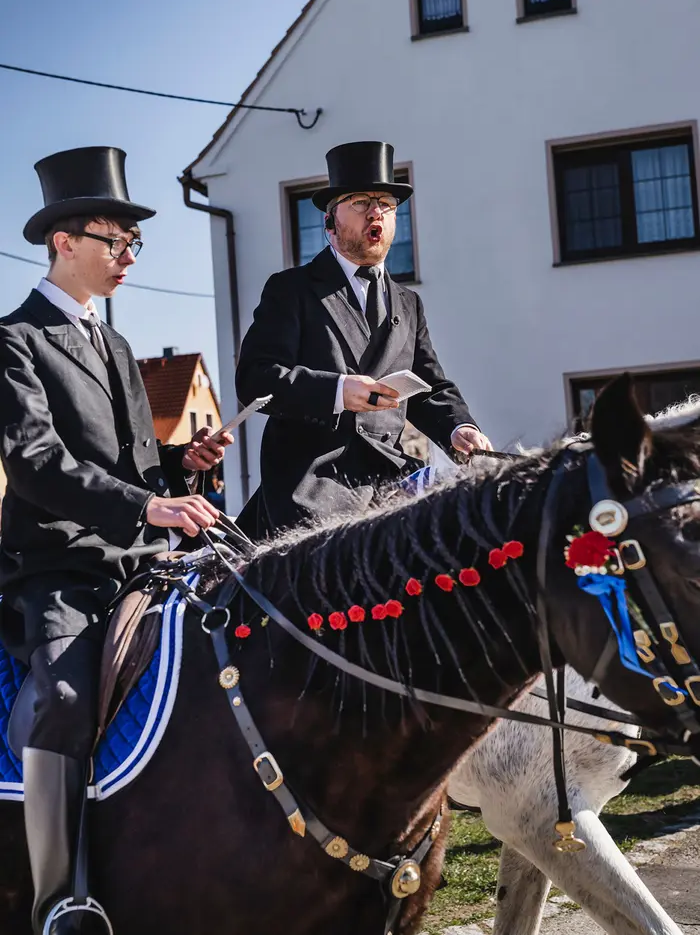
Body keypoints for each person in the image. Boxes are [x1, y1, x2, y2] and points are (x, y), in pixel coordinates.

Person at [0, 146, 232, 935]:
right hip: (58, 569)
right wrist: (150, 505)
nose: (129, 255)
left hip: (142, 566)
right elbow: (38, 463)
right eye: (116, 240)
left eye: (135, 242)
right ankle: (57, 897)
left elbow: (133, 464)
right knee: (65, 698)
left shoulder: (119, 344)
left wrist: (181, 462)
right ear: (64, 241)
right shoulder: (15, 339)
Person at [236, 140, 491, 541]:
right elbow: (256, 378)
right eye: (359, 202)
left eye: (386, 204)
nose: (375, 212)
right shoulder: (291, 289)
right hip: (312, 487)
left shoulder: (408, 303)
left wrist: (459, 428)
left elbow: (430, 387)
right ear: (329, 221)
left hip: (389, 482)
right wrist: (338, 391)